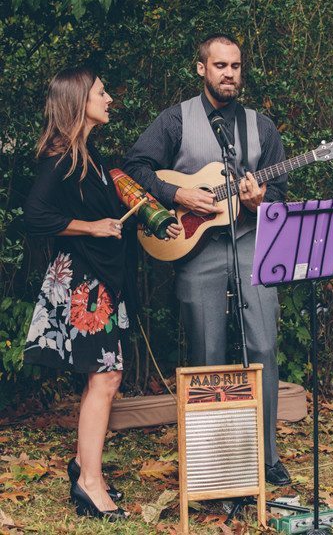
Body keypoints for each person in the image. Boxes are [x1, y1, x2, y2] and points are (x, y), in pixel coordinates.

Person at [123, 34, 290, 485]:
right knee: (206, 351)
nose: (229, 73)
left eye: (236, 66)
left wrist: (260, 200)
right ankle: (211, 458)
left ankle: (267, 455)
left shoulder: (263, 127)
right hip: (196, 247)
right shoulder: (176, 119)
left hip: (252, 241)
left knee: (264, 346)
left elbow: (279, 193)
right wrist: (177, 193)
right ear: (202, 69)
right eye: (220, 66)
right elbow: (133, 166)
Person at [23, 67, 180, 520]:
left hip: (103, 284)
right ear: (78, 101)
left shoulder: (88, 156)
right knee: (106, 377)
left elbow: (123, 210)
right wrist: (91, 226)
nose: (109, 98)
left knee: (104, 376)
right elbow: (35, 215)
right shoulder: (60, 158)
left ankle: (83, 466)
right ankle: (89, 483)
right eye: (101, 92)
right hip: (82, 286)